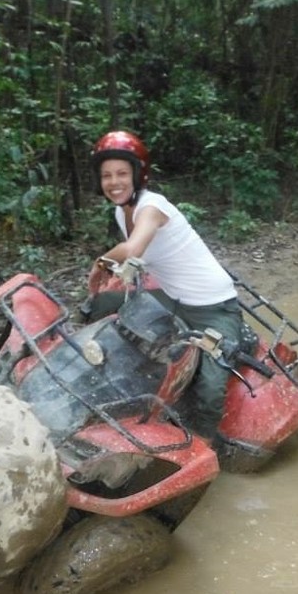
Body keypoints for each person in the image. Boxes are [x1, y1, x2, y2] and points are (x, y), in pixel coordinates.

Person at [86, 130, 244, 442]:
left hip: (213, 309)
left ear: (137, 175)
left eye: (121, 174)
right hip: (172, 298)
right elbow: (138, 259)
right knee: (99, 305)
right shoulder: (122, 211)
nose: (114, 182)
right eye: (106, 176)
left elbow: (131, 249)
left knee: (210, 391)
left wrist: (99, 264)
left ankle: (205, 447)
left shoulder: (152, 207)